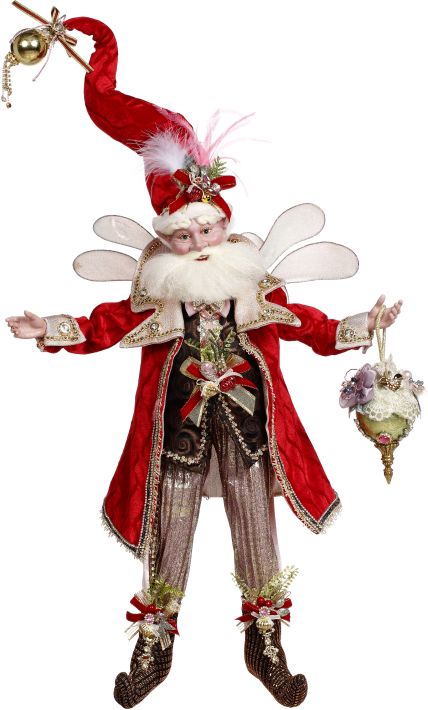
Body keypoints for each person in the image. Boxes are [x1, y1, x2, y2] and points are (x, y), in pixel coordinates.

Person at [5, 15, 402, 710]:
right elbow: (106, 324)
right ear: (170, 240)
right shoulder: (157, 293)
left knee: (257, 528)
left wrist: (360, 328)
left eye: (209, 228)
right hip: (177, 430)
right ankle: (154, 638)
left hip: (250, 426)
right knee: (171, 528)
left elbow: (307, 327)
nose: (199, 242)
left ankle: (265, 639)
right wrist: (52, 330)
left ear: (225, 222)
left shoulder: (253, 284)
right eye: (185, 236)